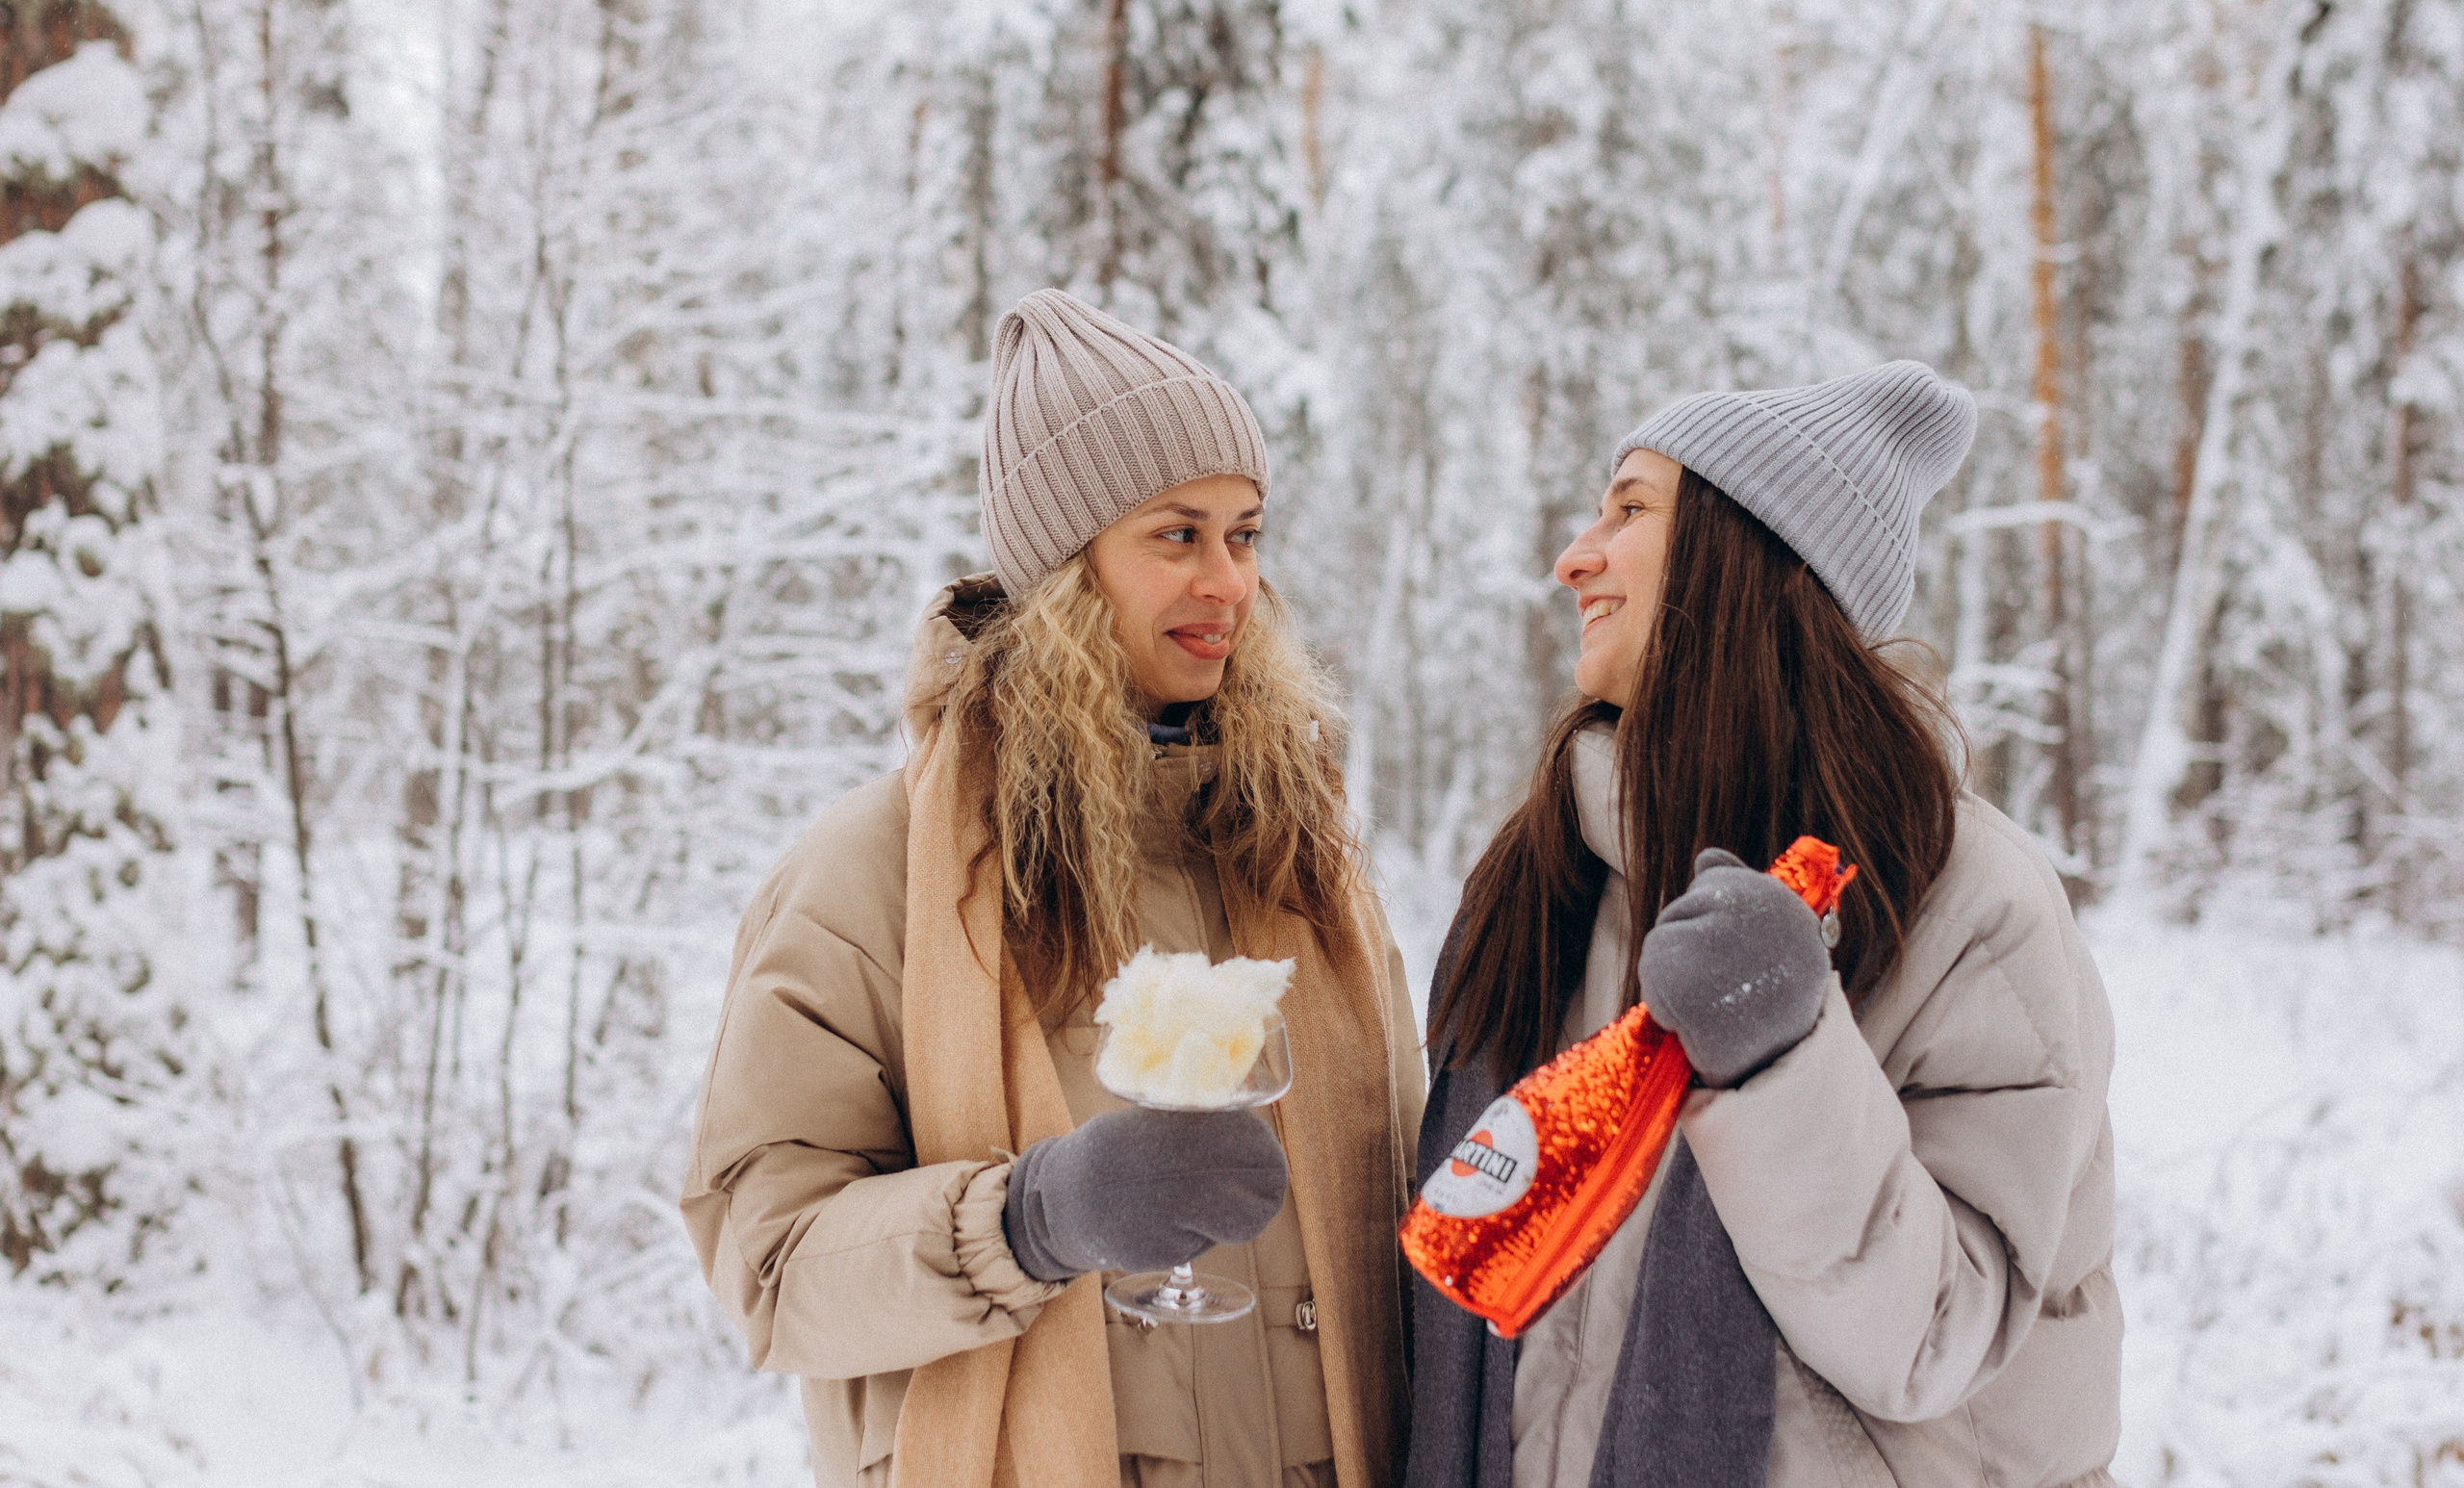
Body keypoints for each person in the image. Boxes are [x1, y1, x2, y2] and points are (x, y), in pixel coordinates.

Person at [682, 290, 1425, 1488]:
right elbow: (770, 1268)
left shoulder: (1301, 863)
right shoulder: (881, 869)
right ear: (1065, 571)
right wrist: (1031, 1219)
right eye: (1176, 535)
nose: (1228, 581)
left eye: (1245, 534)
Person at [1404, 363, 2120, 1488]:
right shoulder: (1546, 882)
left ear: (1748, 558)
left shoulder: (1959, 898)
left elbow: (1938, 1334)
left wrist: (1782, 1055)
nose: (1573, 556)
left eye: (1630, 507)